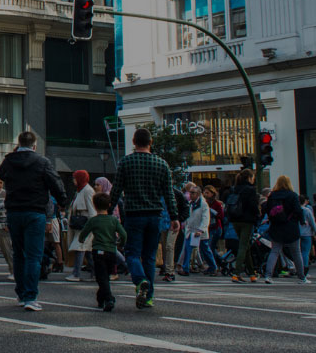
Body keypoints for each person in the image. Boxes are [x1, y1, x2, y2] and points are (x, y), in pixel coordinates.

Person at [0, 131, 68, 312]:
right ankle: (30, 296)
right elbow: (55, 183)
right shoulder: (42, 162)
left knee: (18, 254)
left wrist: (14, 154)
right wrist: (62, 202)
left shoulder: (9, 161)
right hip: (35, 211)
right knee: (33, 256)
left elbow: (2, 174)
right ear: (34, 146)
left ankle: (21, 294)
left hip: (14, 211)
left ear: (18, 144)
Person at [113, 128, 184, 309]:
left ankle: (140, 280)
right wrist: (175, 216)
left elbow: (116, 191)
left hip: (134, 214)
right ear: (150, 142)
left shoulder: (126, 162)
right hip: (155, 215)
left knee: (132, 253)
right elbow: (169, 194)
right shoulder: (161, 164)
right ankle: (149, 296)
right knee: (150, 256)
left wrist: (108, 210)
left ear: (134, 142)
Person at [79, 193, 128, 311]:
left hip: (98, 250)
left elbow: (83, 234)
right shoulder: (113, 220)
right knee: (105, 276)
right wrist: (121, 244)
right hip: (111, 251)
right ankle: (101, 299)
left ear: (94, 206)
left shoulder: (93, 221)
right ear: (109, 205)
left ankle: (109, 298)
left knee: (101, 277)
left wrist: (82, 240)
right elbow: (123, 234)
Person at [261, 176, 308, 284]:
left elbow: (267, 209)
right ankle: (301, 277)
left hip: (276, 226)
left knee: (274, 251)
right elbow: (298, 210)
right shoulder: (292, 195)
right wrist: (301, 221)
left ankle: (268, 276)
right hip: (291, 226)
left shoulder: (272, 195)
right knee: (296, 252)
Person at [226, 170, 262, 283]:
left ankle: (252, 274)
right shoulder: (250, 190)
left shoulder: (235, 188)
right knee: (243, 245)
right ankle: (236, 273)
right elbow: (252, 205)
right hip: (247, 220)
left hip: (235, 219)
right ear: (249, 177)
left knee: (245, 246)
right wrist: (257, 215)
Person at [178, 183, 217, 276]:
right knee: (188, 249)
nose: (190, 194)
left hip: (199, 231)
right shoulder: (191, 204)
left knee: (205, 250)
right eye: (190, 192)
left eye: (193, 193)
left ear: (198, 194)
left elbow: (205, 218)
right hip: (191, 231)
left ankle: (213, 267)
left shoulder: (203, 204)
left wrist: (201, 230)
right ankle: (185, 268)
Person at [64, 170, 96, 281]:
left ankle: (76, 273)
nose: (73, 180)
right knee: (87, 250)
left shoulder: (87, 191)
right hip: (81, 224)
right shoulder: (80, 190)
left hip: (85, 224)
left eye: (75, 178)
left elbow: (92, 211)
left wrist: (91, 226)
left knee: (80, 247)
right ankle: (95, 273)